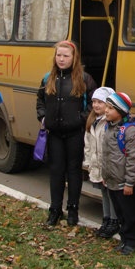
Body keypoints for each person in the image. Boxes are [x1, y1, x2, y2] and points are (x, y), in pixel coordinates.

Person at [36, 40, 97, 226]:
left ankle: (73, 210)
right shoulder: (48, 78)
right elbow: (40, 101)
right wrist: (43, 117)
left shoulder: (84, 79)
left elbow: (94, 106)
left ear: (74, 58)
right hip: (54, 134)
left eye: (66, 56)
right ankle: (55, 209)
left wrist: (80, 120)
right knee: (56, 172)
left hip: (75, 134)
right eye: (58, 55)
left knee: (74, 172)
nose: (61, 59)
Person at [102, 92, 135, 255]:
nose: (106, 110)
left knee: (130, 213)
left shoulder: (130, 131)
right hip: (112, 179)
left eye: (110, 108)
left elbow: (134, 159)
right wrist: (105, 177)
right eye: (106, 106)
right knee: (120, 213)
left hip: (125, 182)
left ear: (121, 111)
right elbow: (106, 156)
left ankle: (133, 241)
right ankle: (125, 239)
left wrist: (129, 182)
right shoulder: (109, 126)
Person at [82, 86, 120, 238]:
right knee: (104, 193)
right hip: (97, 165)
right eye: (94, 102)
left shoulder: (108, 123)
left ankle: (114, 221)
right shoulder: (92, 121)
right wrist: (88, 162)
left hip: (108, 167)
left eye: (100, 102)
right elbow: (88, 144)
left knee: (111, 194)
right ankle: (106, 219)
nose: (96, 105)